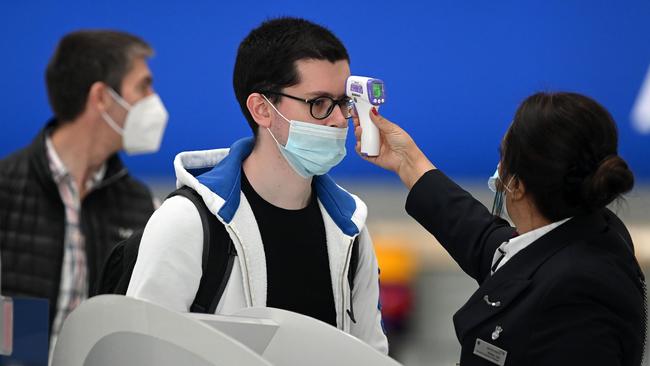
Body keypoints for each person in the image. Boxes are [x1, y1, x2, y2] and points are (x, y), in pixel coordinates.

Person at [126, 17, 388, 353]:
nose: (339, 119)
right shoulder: (188, 222)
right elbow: (139, 353)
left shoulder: (350, 229)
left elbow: (371, 356)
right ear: (262, 109)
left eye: (343, 102)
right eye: (319, 103)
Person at [354, 92, 645, 365]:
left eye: (502, 155)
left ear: (516, 186)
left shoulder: (578, 295)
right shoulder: (589, 231)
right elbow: (486, 241)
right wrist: (408, 162)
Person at [0, 30, 167, 343]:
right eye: (143, 86)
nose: (154, 101)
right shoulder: (6, 190)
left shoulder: (143, 207)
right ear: (101, 97)